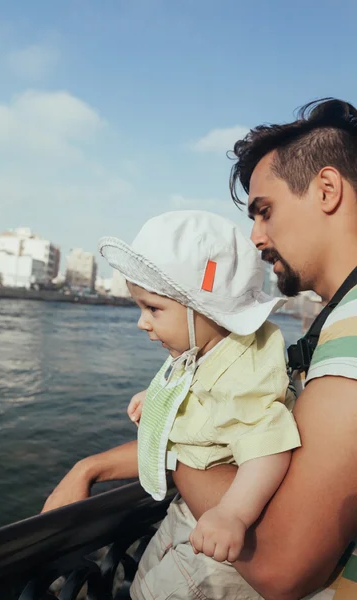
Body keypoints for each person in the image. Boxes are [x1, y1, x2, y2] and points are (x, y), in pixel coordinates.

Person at [43, 97, 357, 600]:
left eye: (264, 211)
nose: (255, 236)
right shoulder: (332, 326)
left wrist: (175, 433)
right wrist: (94, 466)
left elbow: (281, 568)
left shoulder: (352, 336)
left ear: (326, 189)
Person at [97, 210, 300, 599]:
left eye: (153, 309)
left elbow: (267, 446)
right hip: (186, 514)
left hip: (215, 542)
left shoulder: (247, 370)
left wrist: (233, 513)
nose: (142, 322)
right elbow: (197, 394)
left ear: (205, 309)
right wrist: (156, 399)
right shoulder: (202, 350)